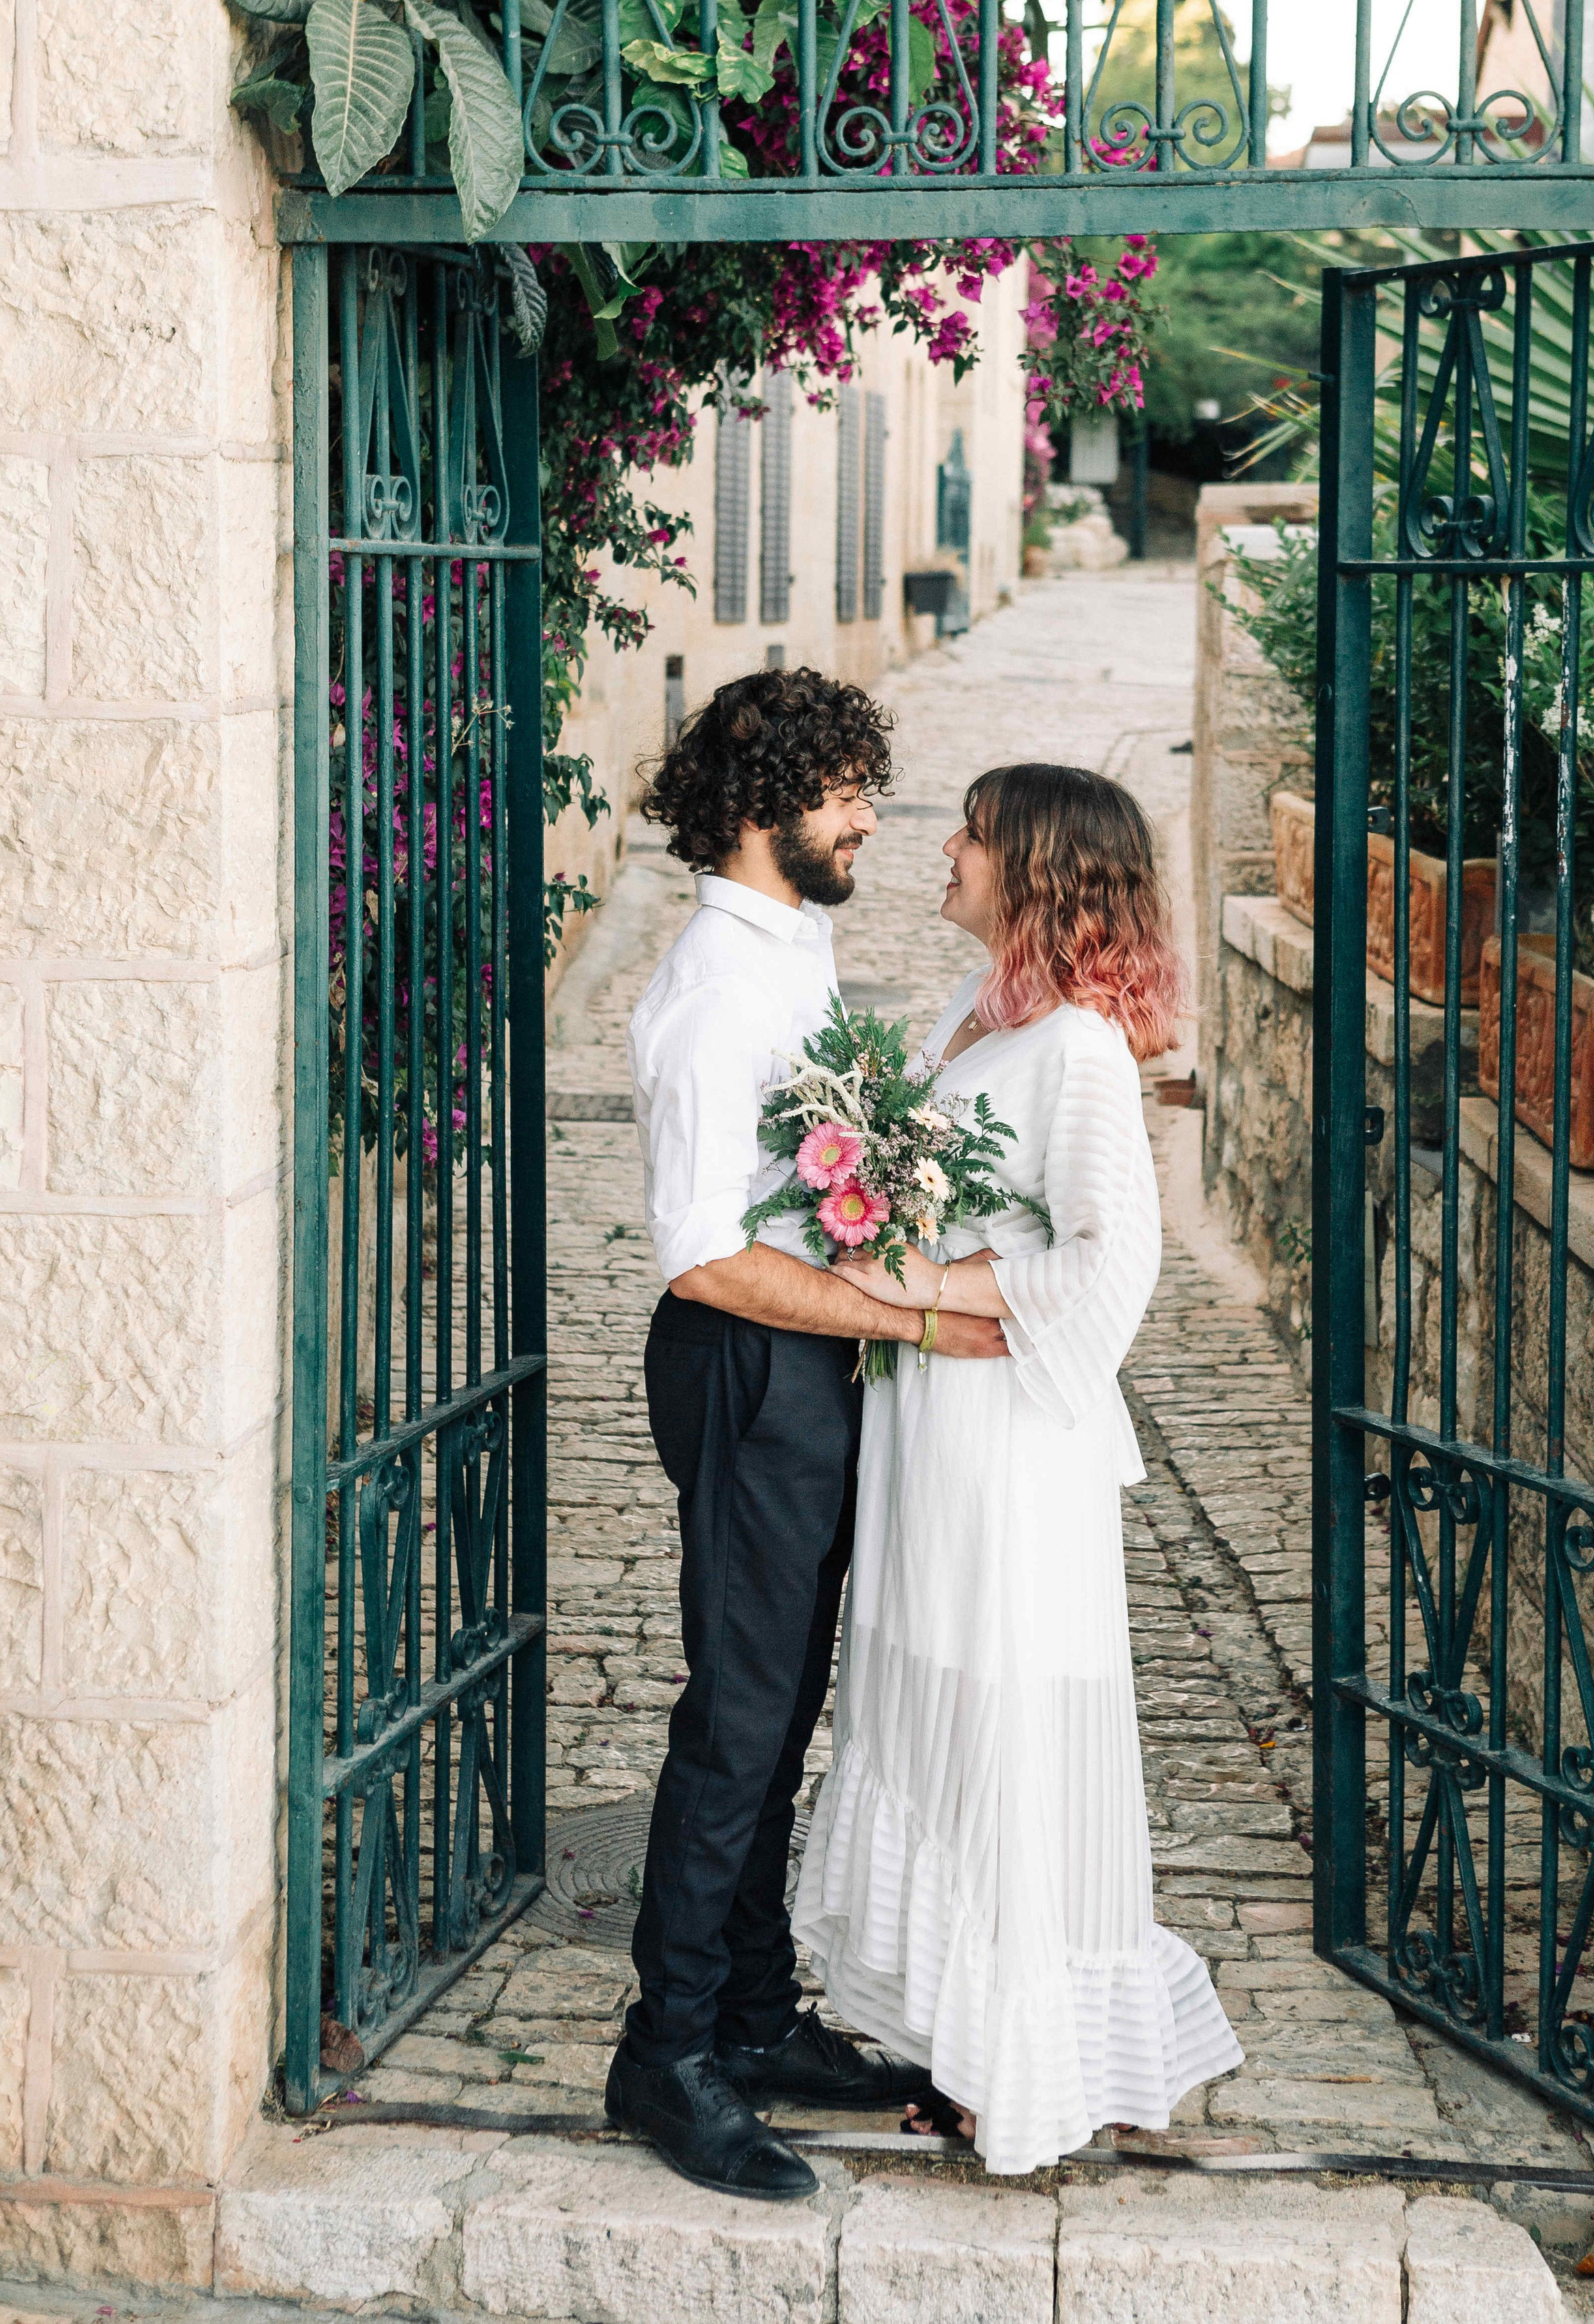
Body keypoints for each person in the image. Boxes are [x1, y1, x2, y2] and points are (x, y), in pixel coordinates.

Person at [793, 762, 1245, 2173]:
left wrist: (942, 1279)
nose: (944, 849)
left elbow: (1116, 1260)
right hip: (925, 1419)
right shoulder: (968, 1016)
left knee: (997, 1714)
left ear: (1036, 872)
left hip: (1005, 1437)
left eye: (972, 836)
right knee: (921, 1691)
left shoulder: (1081, 1053)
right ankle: (946, 2024)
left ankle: (1024, 2062)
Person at [605, 665, 1012, 2202]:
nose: (866, 816)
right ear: (768, 803)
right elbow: (703, 1249)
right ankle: (669, 2052)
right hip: (746, 1362)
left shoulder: (792, 950)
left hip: (803, 1363)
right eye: (846, 790)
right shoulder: (717, 984)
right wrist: (912, 1321)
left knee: (779, 1714)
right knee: (737, 1716)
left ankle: (755, 2017)